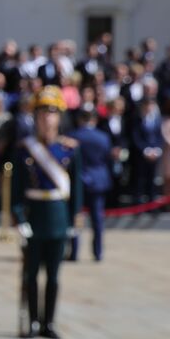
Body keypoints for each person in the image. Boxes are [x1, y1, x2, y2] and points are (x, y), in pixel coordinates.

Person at [12, 87, 82, 339]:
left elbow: (76, 190)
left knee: (53, 276)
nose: (46, 118)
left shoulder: (69, 149)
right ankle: (32, 322)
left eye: (51, 113)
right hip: (34, 216)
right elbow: (17, 189)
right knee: (31, 274)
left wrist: (73, 220)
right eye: (42, 113)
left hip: (58, 216)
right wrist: (20, 219)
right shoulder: (25, 149)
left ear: (59, 116)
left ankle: (49, 323)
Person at [68, 108, 112, 262]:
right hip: (98, 179)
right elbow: (107, 158)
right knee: (97, 219)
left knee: (75, 216)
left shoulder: (73, 136)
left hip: (78, 180)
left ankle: (74, 251)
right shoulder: (103, 137)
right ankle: (98, 252)